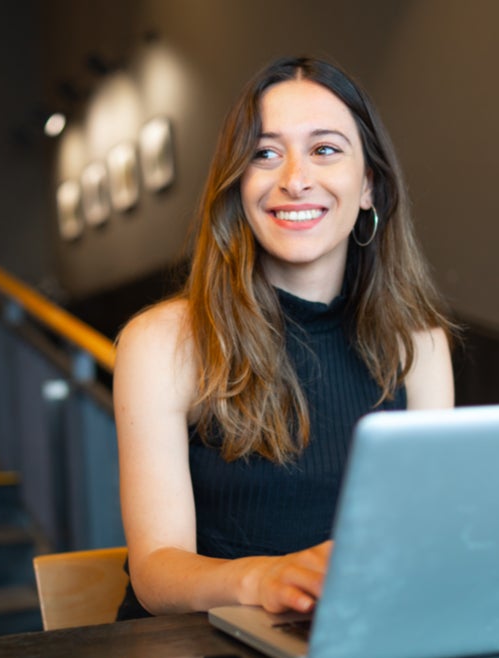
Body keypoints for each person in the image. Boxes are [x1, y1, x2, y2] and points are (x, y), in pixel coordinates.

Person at [114, 56, 455, 620]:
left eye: (325, 149)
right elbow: (154, 573)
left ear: (368, 184)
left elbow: (427, 536)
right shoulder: (162, 342)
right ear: (237, 184)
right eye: (264, 154)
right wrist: (263, 577)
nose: (294, 179)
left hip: (353, 649)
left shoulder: (418, 344)